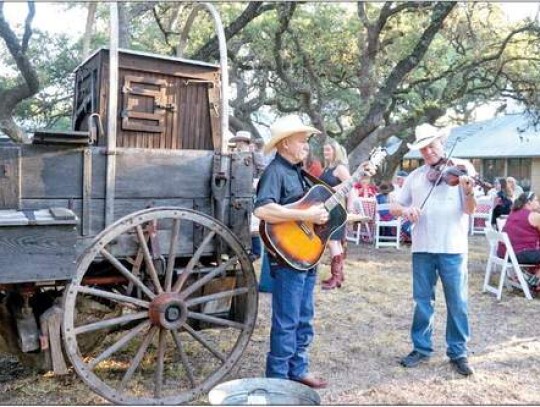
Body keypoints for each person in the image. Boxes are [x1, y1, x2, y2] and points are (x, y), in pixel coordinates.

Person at [254, 114, 375, 388]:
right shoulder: (275, 172)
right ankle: (277, 379)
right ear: (285, 144)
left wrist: (357, 177)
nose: (307, 145)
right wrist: (304, 214)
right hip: (287, 259)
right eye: (302, 140)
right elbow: (262, 209)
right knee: (286, 321)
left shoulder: (300, 171)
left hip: (307, 255)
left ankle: (298, 369)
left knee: (304, 317)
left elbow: (323, 202)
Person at [390, 123, 477, 377]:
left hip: (453, 247)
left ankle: (458, 352)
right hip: (422, 248)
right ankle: (421, 347)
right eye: (423, 148)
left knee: (457, 302)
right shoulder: (415, 176)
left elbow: (470, 210)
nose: (428, 151)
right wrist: (405, 211)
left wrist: (468, 189)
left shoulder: (462, 168)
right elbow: (394, 205)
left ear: (442, 143)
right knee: (422, 302)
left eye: (432, 145)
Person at [319, 138, 353, 290]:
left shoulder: (340, 168)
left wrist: (350, 209)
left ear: (335, 151)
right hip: (328, 208)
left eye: (328, 150)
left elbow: (351, 186)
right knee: (336, 242)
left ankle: (336, 277)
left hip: (338, 209)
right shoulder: (327, 168)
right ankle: (339, 274)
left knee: (333, 241)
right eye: (324, 150)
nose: (325, 152)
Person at [501, 191, 540, 290]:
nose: (539, 203)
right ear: (528, 203)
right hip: (519, 253)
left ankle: (534, 278)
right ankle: (536, 279)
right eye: (536, 200)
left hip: (506, 253)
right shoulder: (534, 216)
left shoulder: (513, 212)